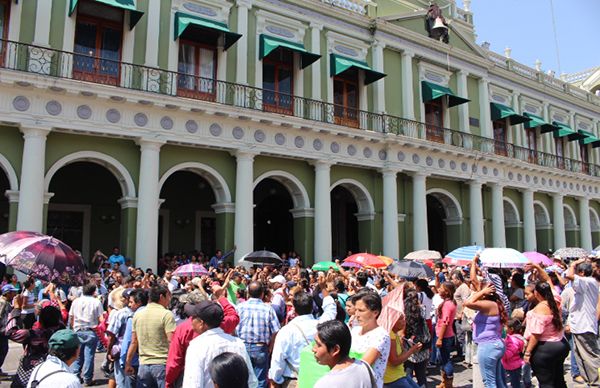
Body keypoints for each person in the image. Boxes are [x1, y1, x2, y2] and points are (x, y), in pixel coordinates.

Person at [166, 285, 239, 388]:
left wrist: (168, 382)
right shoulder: (221, 325)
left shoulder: (183, 328)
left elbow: (174, 361)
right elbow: (233, 316)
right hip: (220, 376)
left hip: (188, 377)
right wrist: (221, 297)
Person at [182, 300, 257, 387]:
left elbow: (192, 384)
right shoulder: (238, 343)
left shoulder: (196, 347)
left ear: (201, 323)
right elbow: (252, 381)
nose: (191, 320)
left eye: (193, 317)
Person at [125, 285, 176, 388]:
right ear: (162, 297)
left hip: (143, 365)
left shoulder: (137, 315)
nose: (169, 300)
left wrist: (128, 363)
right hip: (162, 364)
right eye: (168, 296)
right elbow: (171, 341)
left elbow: (134, 342)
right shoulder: (166, 314)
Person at [523, 282, 569, 388]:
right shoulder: (555, 300)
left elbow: (536, 334)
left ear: (536, 293)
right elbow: (548, 281)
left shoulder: (540, 308)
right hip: (560, 344)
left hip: (545, 349)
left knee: (546, 383)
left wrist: (528, 352)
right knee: (559, 380)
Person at [7, 303, 65, 387]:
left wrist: (16, 310)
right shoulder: (63, 333)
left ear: (40, 320)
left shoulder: (34, 334)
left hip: (30, 373)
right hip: (55, 373)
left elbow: (11, 333)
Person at [268, 291, 318, 387]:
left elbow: (278, 359)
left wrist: (275, 379)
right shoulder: (321, 327)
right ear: (312, 308)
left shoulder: (287, 330)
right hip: (318, 379)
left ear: (294, 309)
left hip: (294, 381)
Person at [236, 281, 281, 388]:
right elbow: (275, 330)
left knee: (243, 379)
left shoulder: (239, 307)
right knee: (260, 381)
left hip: (242, 346)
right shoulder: (268, 309)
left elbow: (233, 328)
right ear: (262, 294)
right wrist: (270, 347)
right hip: (260, 348)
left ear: (248, 293)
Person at [563, 258, 600, 386]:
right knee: (580, 357)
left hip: (585, 327)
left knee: (590, 357)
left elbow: (568, 275)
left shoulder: (588, 281)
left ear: (582, 273)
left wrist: (573, 264)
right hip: (579, 326)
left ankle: (596, 382)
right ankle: (591, 381)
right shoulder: (586, 283)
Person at [463, 282, 507, 388]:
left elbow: (467, 303)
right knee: (498, 380)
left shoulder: (488, 305)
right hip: (494, 345)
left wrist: (482, 292)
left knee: (489, 382)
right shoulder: (494, 305)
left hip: (488, 346)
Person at [312, 319, 375, 388]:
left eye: (318, 345)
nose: (313, 349)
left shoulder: (325, 384)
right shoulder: (364, 367)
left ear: (335, 350)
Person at [349, 291, 390, 388]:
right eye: (356, 310)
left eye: (361, 310)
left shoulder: (381, 335)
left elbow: (362, 366)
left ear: (375, 312)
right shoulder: (354, 331)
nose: (357, 314)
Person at [69, 282, 104, 386]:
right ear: (93, 291)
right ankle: (87, 379)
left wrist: (73, 328)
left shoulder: (76, 301)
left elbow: (71, 316)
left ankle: (75, 376)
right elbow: (101, 318)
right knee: (89, 356)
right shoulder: (96, 302)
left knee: (77, 355)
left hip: (78, 329)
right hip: (91, 330)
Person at [383, 313, 422, 388]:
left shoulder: (395, 334)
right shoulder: (390, 335)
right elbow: (395, 361)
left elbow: (403, 353)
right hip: (392, 379)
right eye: (400, 319)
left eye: (404, 318)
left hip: (400, 374)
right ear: (393, 321)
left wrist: (412, 349)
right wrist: (411, 350)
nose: (404, 321)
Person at [120, 289, 149, 388]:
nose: (129, 305)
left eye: (131, 302)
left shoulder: (133, 317)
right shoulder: (155, 315)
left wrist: (124, 361)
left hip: (134, 361)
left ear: (139, 303)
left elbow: (129, 341)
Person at [402, 288, 431, 388]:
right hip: (422, 345)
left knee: (407, 375)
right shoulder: (422, 309)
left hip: (408, 348)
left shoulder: (403, 312)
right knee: (421, 376)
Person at [435, 282, 456, 388]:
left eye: (441, 288)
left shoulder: (447, 305)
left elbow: (445, 322)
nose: (439, 289)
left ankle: (448, 384)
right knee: (443, 359)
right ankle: (444, 382)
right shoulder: (448, 302)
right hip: (446, 335)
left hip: (445, 336)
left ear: (447, 292)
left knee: (446, 360)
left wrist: (440, 338)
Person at [0, 284, 18, 376]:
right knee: (3, 350)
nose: (14, 294)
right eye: (13, 292)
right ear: (7, 293)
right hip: (1, 331)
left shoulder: (5, 302)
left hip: (3, 331)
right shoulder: (3, 303)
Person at [502, 319, 525, 388]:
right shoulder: (514, 337)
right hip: (512, 364)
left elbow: (509, 353)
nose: (504, 328)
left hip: (513, 365)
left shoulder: (513, 340)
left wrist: (501, 354)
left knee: (515, 383)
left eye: (506, 327)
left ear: (511, 329)